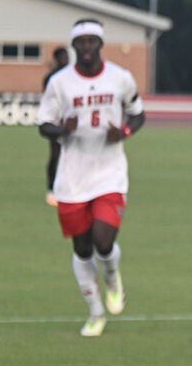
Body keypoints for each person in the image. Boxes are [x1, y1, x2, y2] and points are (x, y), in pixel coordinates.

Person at [37, 19, 145, 336]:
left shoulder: (120, 78)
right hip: (72, 178)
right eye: (80, 42)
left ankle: (112, 277)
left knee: (103, 239)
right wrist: (62, 130)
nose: (86, 47)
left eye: (91, 41)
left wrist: (123, 131)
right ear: (74, 46)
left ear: (100, 44)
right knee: (82, 249)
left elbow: (138, 114)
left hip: (110, 173)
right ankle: (95, 312)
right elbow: (43, 124)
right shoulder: (59, 83)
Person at [42, 46, 70, 207]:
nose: (66, 60)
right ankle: (51, 189)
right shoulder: (51, 78)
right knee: (55, 154)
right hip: (56, 121)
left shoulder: (73, 75)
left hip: (71, 121)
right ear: (57, 59)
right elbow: (47, 101)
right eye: (63, 57)